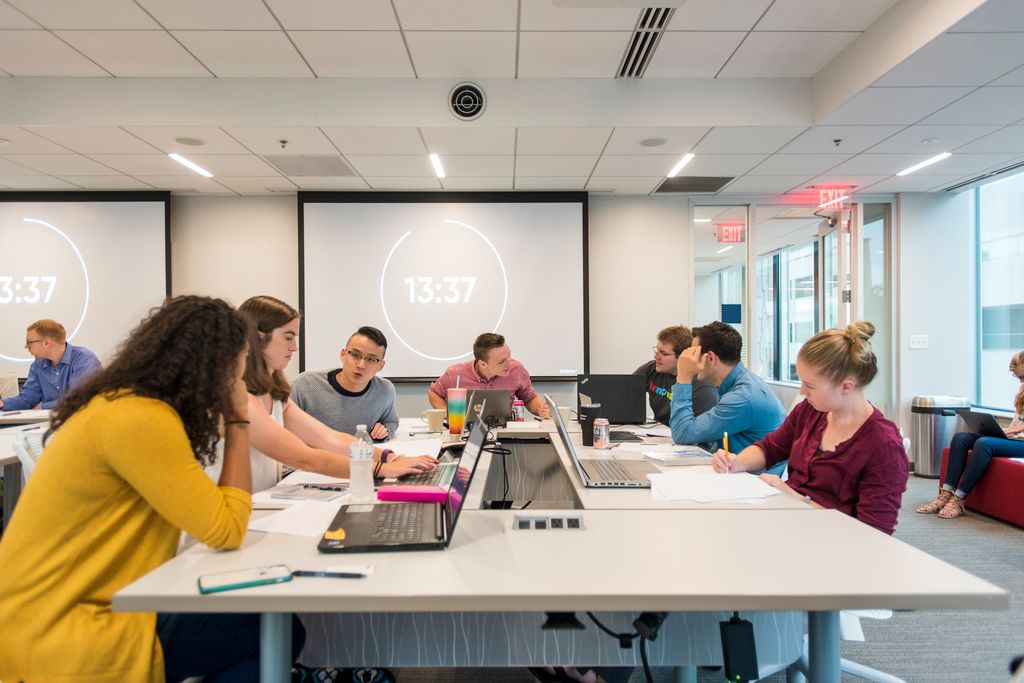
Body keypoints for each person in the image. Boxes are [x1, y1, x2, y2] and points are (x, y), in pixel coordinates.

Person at [0, 295, 306, 682]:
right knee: (270, 629)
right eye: (240, 359)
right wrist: (236, 419)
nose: (243, 370)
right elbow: (226, 529)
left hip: (57, 608)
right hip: (73, 626)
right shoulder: (141, 421)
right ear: (215, 364)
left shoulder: (124, 405)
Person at [712, 321, 908, 535]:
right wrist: (736, 462)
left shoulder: (883, 445)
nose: (803, 392)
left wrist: (798, 499)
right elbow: (770, 448)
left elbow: (873, 534)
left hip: (834, 546)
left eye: (810, 385)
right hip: (792, 526)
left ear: (846, 386)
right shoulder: (811, 411)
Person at [236, 296, 435, 492]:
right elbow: (306, 457)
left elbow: (329, 438)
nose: (294, 347)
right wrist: (380, 469)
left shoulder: (275, 394)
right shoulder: (240, 397)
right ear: (259, 338)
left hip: (260, 501)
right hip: (240, 512)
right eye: (288, 337)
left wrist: (390, 457)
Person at [917, 350, 1024, 520]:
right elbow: (1018, 421)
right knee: (961, 438)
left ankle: (959, 498)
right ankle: (946, 493)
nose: (1020, 381)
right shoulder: (1022, 391)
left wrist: (1018, 429)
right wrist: (1006, 430)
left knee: (984, 443)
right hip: (1013, 437)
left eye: (1022, 377)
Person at [670, 321, 785, 451]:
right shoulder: (738, 382)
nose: (690, 359)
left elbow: (682, 433)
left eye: (694, 353)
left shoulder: (741, 398)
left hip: (752, 471)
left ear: (711, 358)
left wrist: (683, 377)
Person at [292, 326, 399, 441]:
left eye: (371, 359)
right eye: (355, 355)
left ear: (380, 366)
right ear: (343, 354)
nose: (361, 365)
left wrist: (385, 430)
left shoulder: (384, 390)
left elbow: (391, 421)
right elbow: (281, 427)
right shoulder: (304, 384)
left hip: (361, 456)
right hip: (312, 455)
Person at [428, 332, 550, 418]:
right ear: (482, 364)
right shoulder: (455, 373)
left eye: (509, 356)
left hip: (504, 432)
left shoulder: (516, 369)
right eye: (502, 361)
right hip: (464, 432)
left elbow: (529, 398)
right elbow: (434, 393)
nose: (509, 363)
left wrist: (541, 409)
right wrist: (446, 413)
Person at [0, 318, 101, 411]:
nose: (26, 346)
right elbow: (27, 400)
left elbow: (77, 399)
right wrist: (2, 404)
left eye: (29, 342)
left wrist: (42, 407)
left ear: (46, 343)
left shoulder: (83, 359)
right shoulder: (38, 365)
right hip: (49, 422)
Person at [633, 324, 716, 425]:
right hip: (659, 434)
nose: (656, 356)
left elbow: (700, 432)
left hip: (685, 437)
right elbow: (624, 393)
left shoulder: (702, 386)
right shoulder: (651, 369)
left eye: (663, 353)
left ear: (682, 357)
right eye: (657, 350)